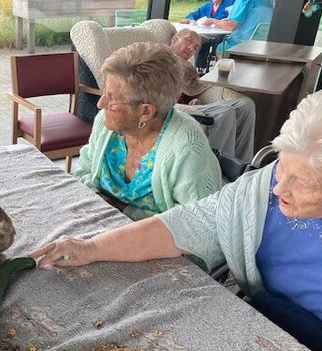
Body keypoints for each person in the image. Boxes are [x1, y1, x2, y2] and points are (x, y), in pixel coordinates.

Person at [31, 86, 322, 351]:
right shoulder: (262, 190)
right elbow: (188, 223)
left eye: (302, 183)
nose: (278, 190)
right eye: (282, 168)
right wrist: (91, 247)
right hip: (265, 327)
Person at [75, 42, 221, 221]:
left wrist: (123, 211)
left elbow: (197, 226)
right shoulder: (106, 123)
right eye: (105, 93)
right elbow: (83, 172)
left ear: (145, 112)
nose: (101, 104)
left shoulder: (188, 148)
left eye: (111, 98)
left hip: (154, 245)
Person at [171, 29, 255, 163]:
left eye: (196, 47)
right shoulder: (161, 58)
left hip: (188, 106)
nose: (191, 48)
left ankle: (243, 166)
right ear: (175, 38)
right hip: (174, 108)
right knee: (225, 112)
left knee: (246, 104)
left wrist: (193, 100)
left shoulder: (186, 66)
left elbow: (190, 90)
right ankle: (220, 169)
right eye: (189, 40)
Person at [179, 0, 236, 70]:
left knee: (196, 40)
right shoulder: (207, 6)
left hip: (221, 35)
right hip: (206, 33)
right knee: (192, 40)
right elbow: (191, 15)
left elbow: (231, 21)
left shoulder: (230, 4)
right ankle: (191, 67)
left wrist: (216, 22)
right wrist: (190, 20)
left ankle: (193, 69)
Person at [201, 0, 273, 53]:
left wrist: (212, 21)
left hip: (243, 43)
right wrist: (228, 20)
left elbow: (230, 26)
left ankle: (225, 73)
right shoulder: (268, 3)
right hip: (262, 45)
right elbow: (252, 17)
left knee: (220, 48)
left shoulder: (243, 1)